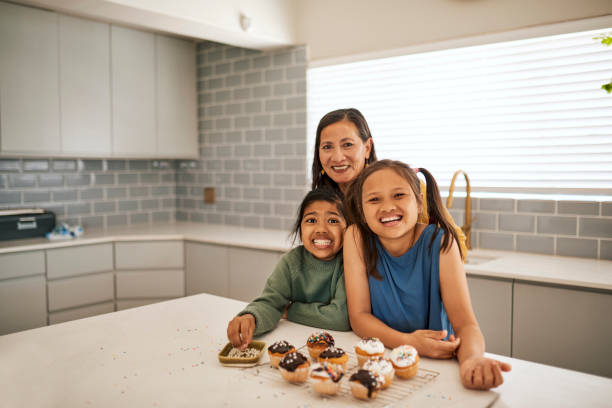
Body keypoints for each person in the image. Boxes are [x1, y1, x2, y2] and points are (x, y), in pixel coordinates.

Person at [343, 160, 511, 390]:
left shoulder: (441, 241)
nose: (387, 207)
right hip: (383, 359)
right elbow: (359, 317)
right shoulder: (355, 238)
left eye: (399, 195)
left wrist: (472, 359)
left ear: (419, 203)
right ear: (361, 211)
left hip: (436, 362)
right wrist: (408, 342)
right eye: (374, 199)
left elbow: (465, 325)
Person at [310, 108, 467, 258]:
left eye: (348, 145)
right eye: (327, 146)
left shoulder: (405, 185)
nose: (337, 157)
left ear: (367, 147)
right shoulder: (320, 202)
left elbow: (456, 242)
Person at [227, 188, 351, 349]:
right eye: (311, 220)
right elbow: (270, 303)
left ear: (348, 228)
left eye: (333, 221)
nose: (321, 229)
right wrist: (251, 317)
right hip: (294, 341)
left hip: (340, 345)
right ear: (300, 228)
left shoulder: (347, 263)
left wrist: (290, 310)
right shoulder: (291, 262)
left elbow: (340, 317)